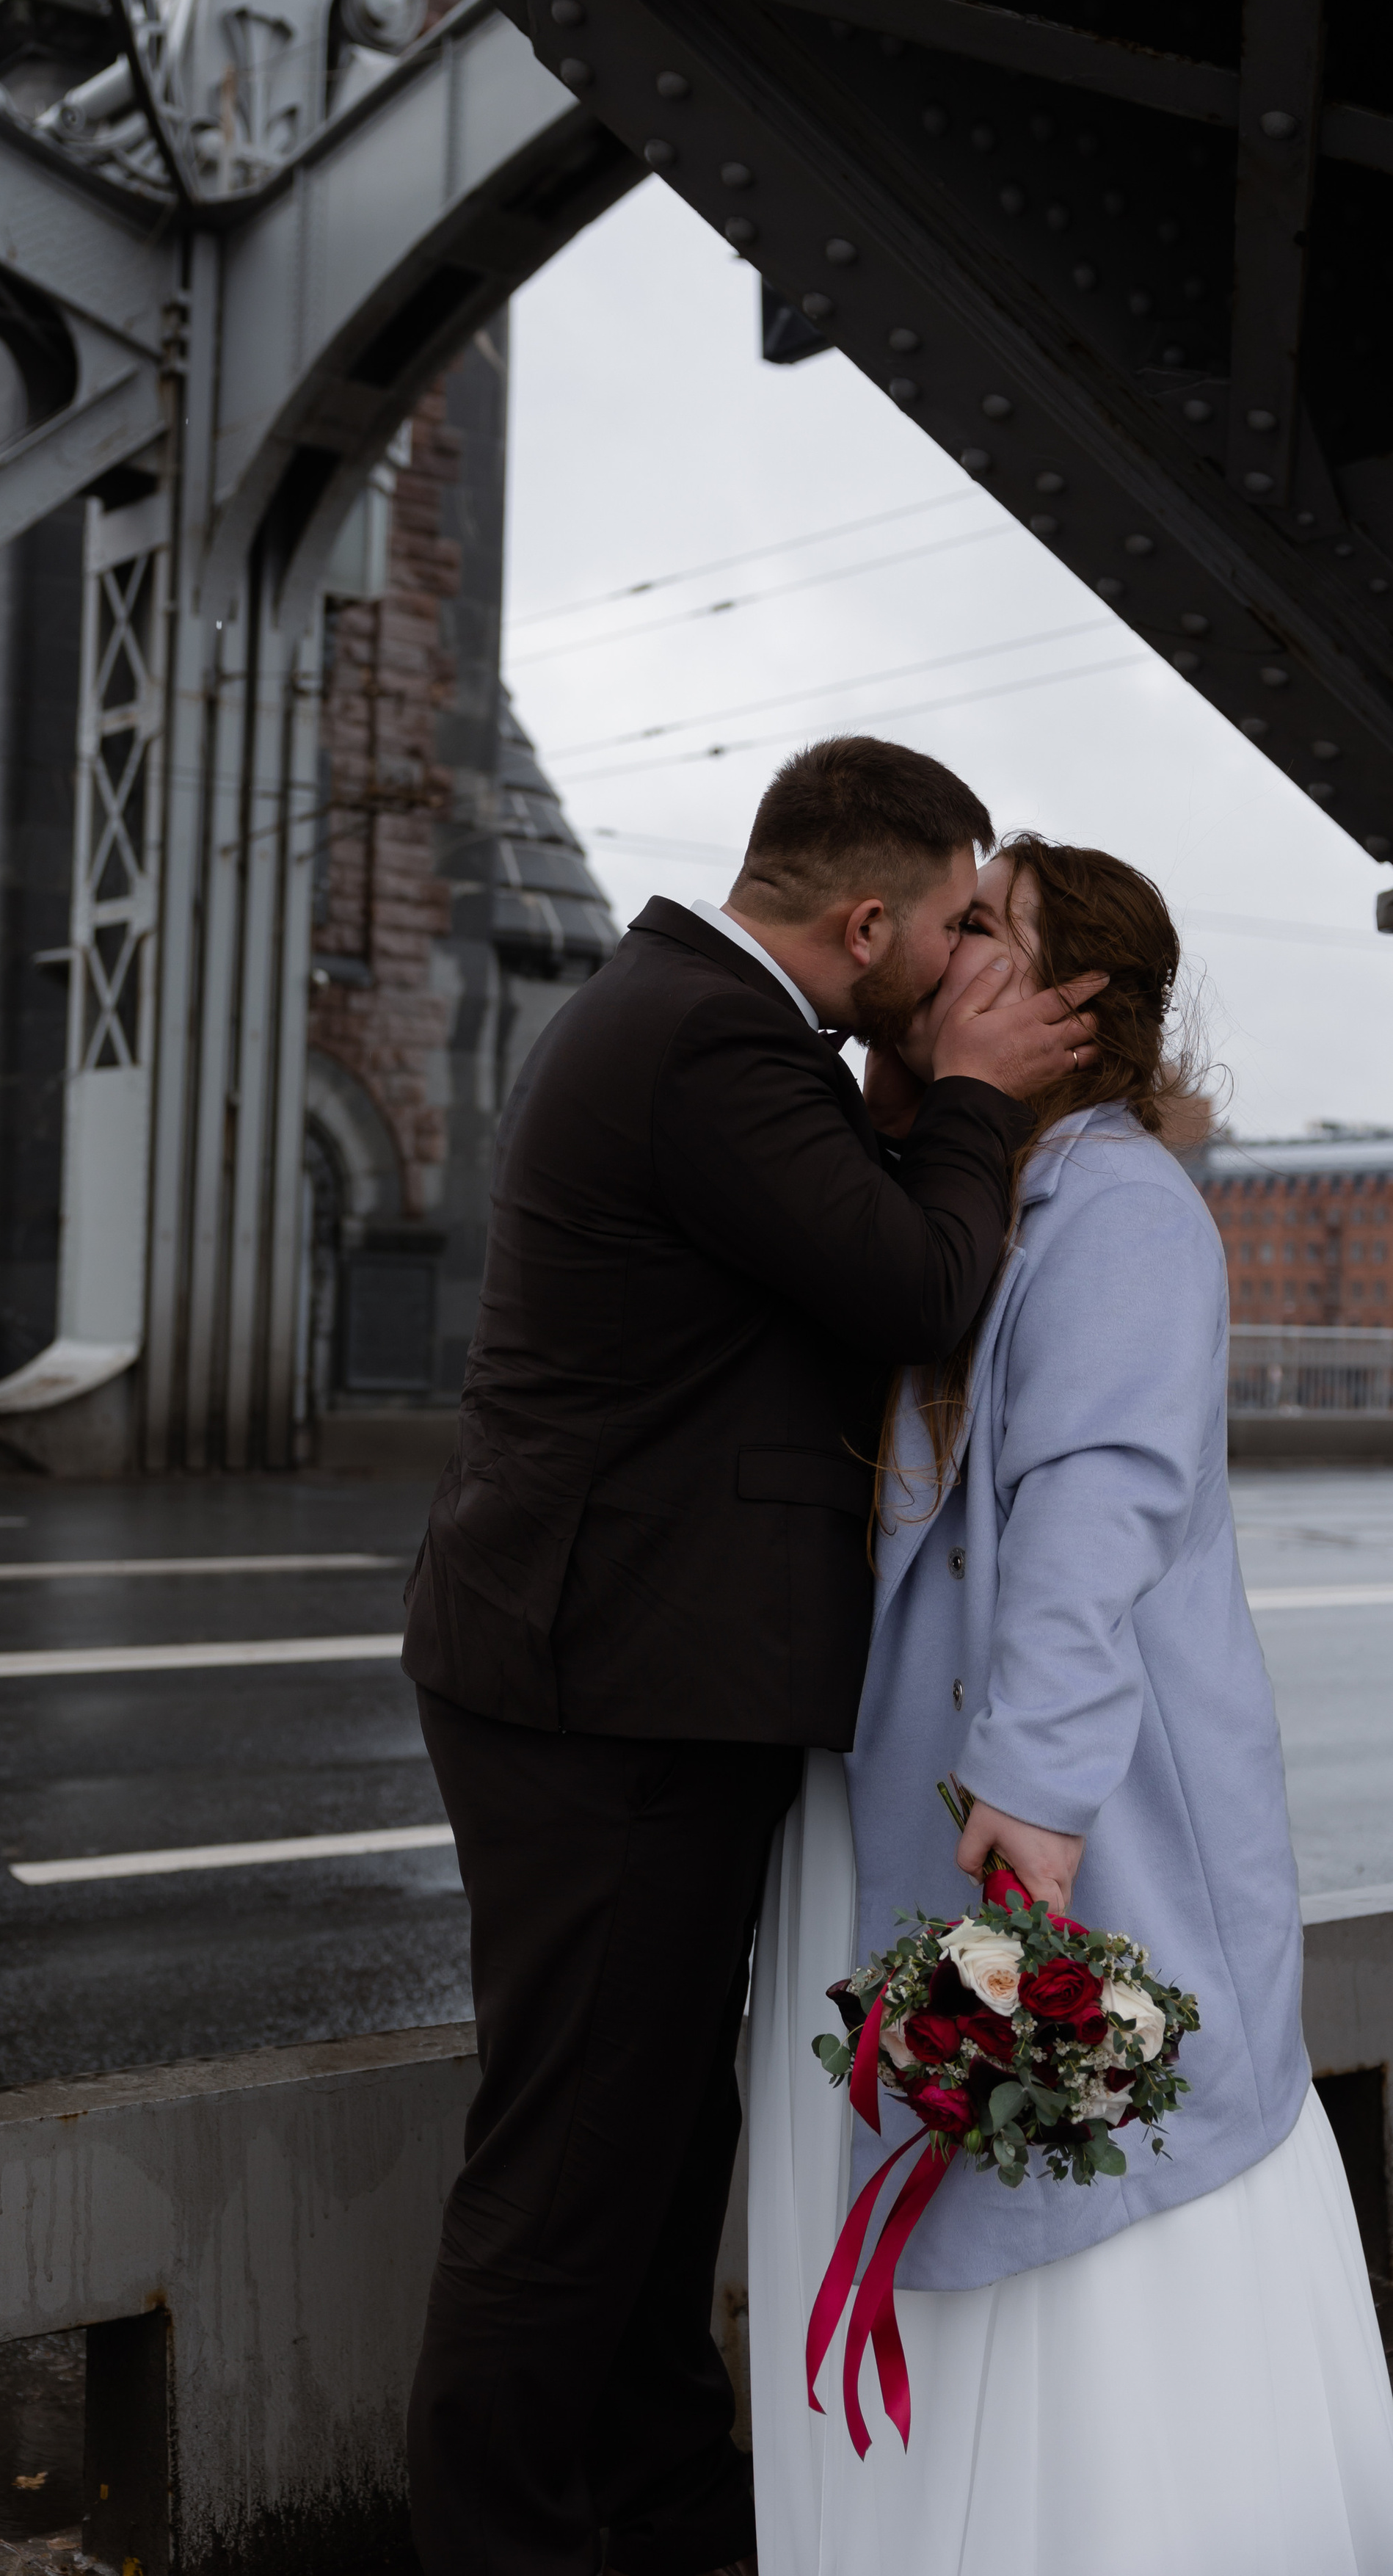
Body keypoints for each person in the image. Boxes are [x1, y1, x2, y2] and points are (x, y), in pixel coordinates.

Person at [401, 739, 1104, 2576]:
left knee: (640, 2141)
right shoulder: (710, 1038)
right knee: (568, 2164)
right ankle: (507, 2541)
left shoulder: (705, 1025)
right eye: (953, 923)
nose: (961, 961)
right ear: (863, 919)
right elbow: (915, 1285)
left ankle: (665, 2502)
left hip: (612, 1673)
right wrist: (958, 1094)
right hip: (602, 1690)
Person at [749, 835, 1393, 2575]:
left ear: (1069, 1001)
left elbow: (1091, 1512)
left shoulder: (1116, 1208)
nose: (944, 951)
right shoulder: (984, 1191)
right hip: (930, 1794)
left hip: (1065, 1818)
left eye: (985, 931)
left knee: (1093, 2180)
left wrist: (1028, 1782)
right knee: (1002, 2163)